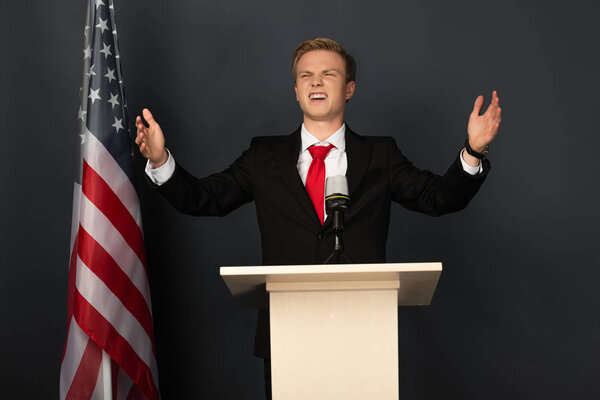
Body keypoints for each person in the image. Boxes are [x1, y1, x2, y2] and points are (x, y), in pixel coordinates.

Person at [135, 37, 501, 398]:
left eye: (329, 74)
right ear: (296, 90)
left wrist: (472, 150)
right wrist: (159, 159)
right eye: (306, 75)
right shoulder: (264, 155)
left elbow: (437, 198)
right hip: (285, 334)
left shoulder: (380, 154)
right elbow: (203, 198)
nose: (316, 81)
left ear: (349, 88)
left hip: (365, 332)